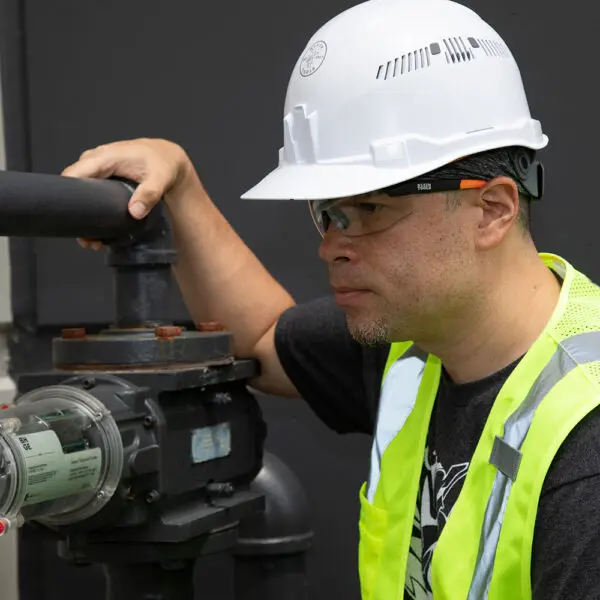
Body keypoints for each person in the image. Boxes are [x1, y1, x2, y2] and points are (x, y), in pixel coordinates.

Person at [61, 0, 600, 598]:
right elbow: (264, 335)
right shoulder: (417, 346)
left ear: (492, 209)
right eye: (328, 215)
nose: (332, 249)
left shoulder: (585, 450)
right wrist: (180, 185)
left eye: (369, 209)